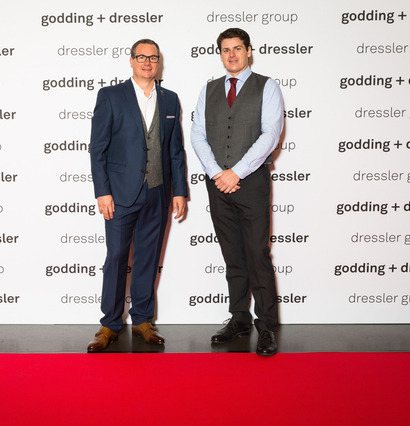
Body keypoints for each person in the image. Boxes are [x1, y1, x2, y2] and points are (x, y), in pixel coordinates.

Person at [87, 39, 188, 352]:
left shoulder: (170, 99)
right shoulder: (110, 96)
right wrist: (103, 192)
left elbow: (175, 150)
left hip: (157, 192)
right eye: (141, 57)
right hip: (119, 194)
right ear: (131, 61)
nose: (147, 62)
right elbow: (97, 148)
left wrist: (179, 191)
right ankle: (109, 323)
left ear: (159, 63)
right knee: (117, 257)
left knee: (148, 258)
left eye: (153, 57)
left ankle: (143, 319)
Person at [190, 28, 284, 356]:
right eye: (226, 49)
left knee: (257, 253)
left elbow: (270, 134)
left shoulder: (267, 86)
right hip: (218, 183)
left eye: (237, 48)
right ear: (220, 54)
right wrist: (217, 173)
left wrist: (236, 172)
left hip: (251, 182)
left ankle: (267, 326)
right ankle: (239, 318)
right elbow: (198, 134)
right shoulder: (209, 90)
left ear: (248, 51)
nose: (232, 54)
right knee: (232, 254)